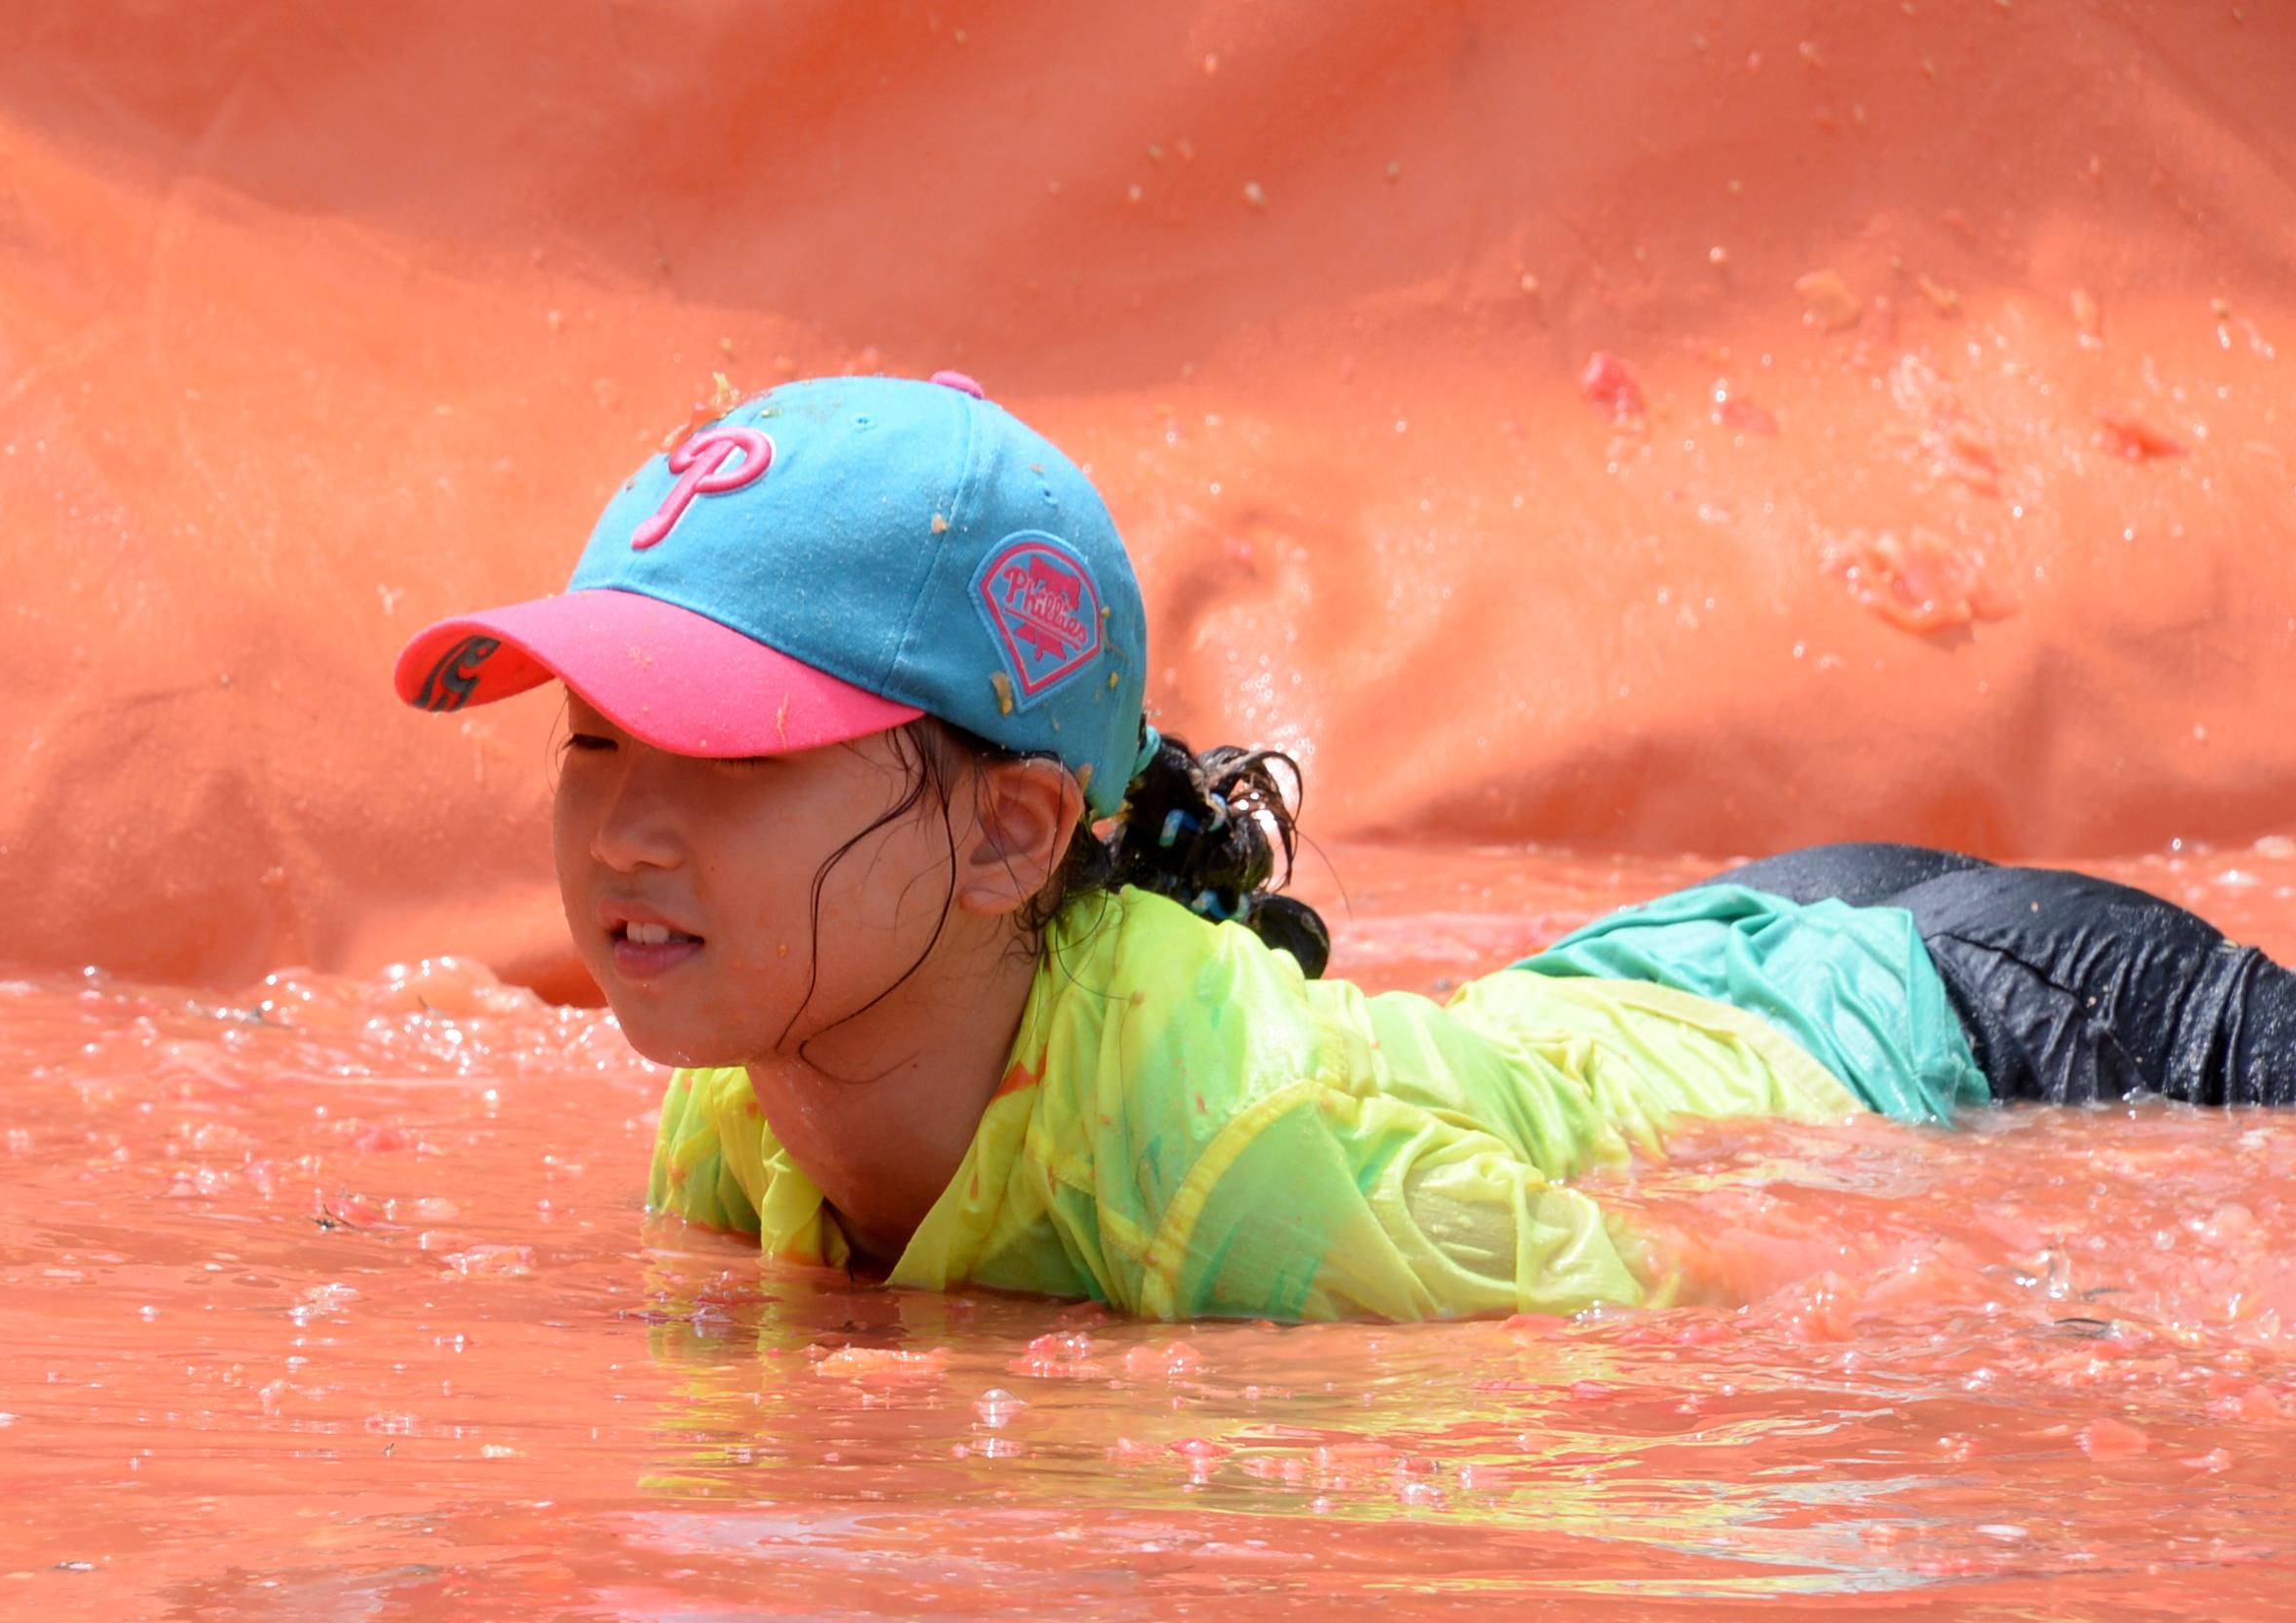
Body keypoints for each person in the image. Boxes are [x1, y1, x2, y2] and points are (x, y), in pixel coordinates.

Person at [391, 374, 2296, 1322]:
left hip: (1957, 1010)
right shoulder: (732, 1094)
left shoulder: (1226, 1152)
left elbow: (1698, 1318)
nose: (622, 824)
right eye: (590, 735)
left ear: (1007, 832)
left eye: (729, 748)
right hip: (1662, 975)